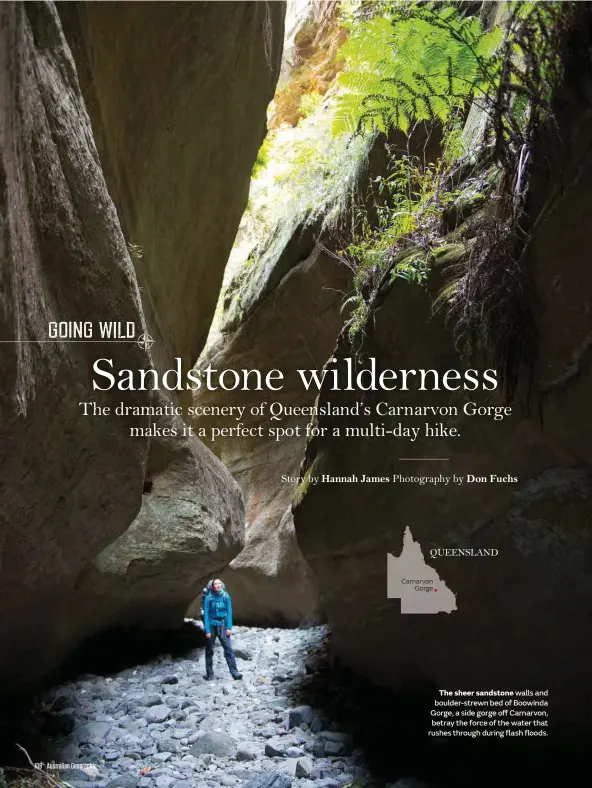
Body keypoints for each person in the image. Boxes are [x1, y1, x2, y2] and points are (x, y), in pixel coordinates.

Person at [202, 578, 242, 680]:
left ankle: (234, 672)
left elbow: (229, 612)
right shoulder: (208, 598)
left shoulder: (225, 596)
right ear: (212, 586)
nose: (218, 585)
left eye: (219, 583)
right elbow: (206, 614)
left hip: (223, 624)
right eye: (216, 584)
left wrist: (229, 627)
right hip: (211, 624)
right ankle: (210, 674)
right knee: (209, 650)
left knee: (228, 649)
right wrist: (207, 630)